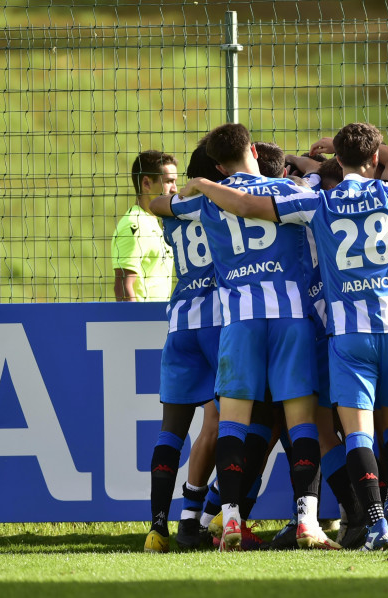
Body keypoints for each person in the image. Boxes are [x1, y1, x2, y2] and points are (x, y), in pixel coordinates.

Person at [178, 122, 388, 550]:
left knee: (351, 433)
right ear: (375, 159)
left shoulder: (315, 202)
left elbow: (245, 204)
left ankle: (371, 520)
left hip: (342, 331)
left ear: (336, 159)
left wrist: (205, 184)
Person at [151, 124, 339, 551]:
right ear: (253, 149)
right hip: (291, 317)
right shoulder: (286, 193)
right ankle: (308, 521)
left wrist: (196, 188)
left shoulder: (206, 203)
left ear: (218, 165)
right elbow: (327, 199)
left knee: (232, 423)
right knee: (301, 422)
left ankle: (230, 522)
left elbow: (159, 205)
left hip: (238, 321)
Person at [143, 142, 221, 553]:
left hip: (181, 322)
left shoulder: (174, 210)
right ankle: (203, 515)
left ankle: (157, 527)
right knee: (232, 422)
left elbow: (157, 203)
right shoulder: (224, 203)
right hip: (220, 322)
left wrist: (180, 193)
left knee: (170, 430)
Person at [112, 150, 177, 301]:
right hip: (143, 321)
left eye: (175, 182)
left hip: (159, 319)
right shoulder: (134, 224)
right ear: (146, 183)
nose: (174, 189)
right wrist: (135, 323)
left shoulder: (157, 221)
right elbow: (123, 285)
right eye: (168, 181)